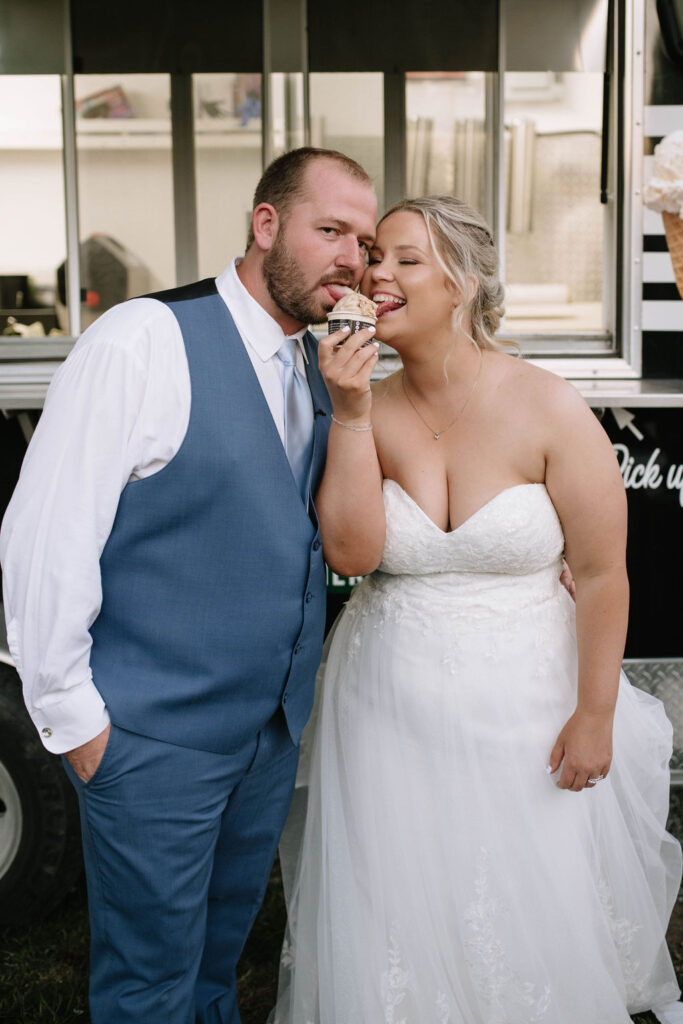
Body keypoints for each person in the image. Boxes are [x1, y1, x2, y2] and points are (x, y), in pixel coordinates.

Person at [271, 195, 683, 1024]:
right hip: (384, 707)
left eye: (402, 259)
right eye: (373, 259)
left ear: (459, 283)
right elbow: (350, 557)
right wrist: (348, 416)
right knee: (395, 894)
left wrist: (595, 713)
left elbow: (603, 573)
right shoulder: (359, 406)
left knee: (523, 892)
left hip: (525, 707)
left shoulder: (549, 405)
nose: (374, 274)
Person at [0, 147, 377, 1023]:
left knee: (215, 964)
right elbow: (46, 533)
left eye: (361, 240)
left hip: (263, 743)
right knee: (147, 984)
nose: (350, 258)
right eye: (330, 231)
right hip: (151, 741)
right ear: (265, 224)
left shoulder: (323, 367)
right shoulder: (142, 339)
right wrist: (78, 723)